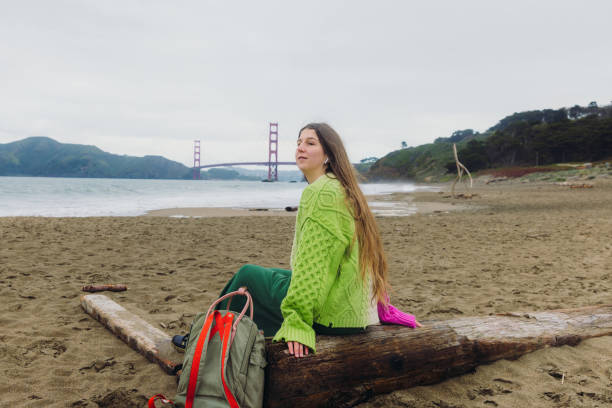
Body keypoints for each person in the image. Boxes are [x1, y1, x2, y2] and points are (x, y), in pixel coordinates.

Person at [173, 122, 420, 357]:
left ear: (328, 156)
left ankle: (203, 342)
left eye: (310, 143)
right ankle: (207, 336)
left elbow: (312, 267)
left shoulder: (320, 194)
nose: (300, 148)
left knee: (247, 274)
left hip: (333, 315)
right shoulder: (342, 188)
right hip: (354, 307)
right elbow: (363, 257)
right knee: (272, 276)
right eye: (299, 142)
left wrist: (297, 323)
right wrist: (380, 306)